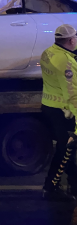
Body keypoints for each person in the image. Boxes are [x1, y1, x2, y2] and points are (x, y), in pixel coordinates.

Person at [41, 24, 77, 200]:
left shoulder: (48, 52)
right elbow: (73, 95)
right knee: (66, 150)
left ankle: (71, 186)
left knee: (67, 149)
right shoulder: (66, 63)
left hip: (49, 106)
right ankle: (50, 187)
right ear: (71, 40)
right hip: (64, 112)